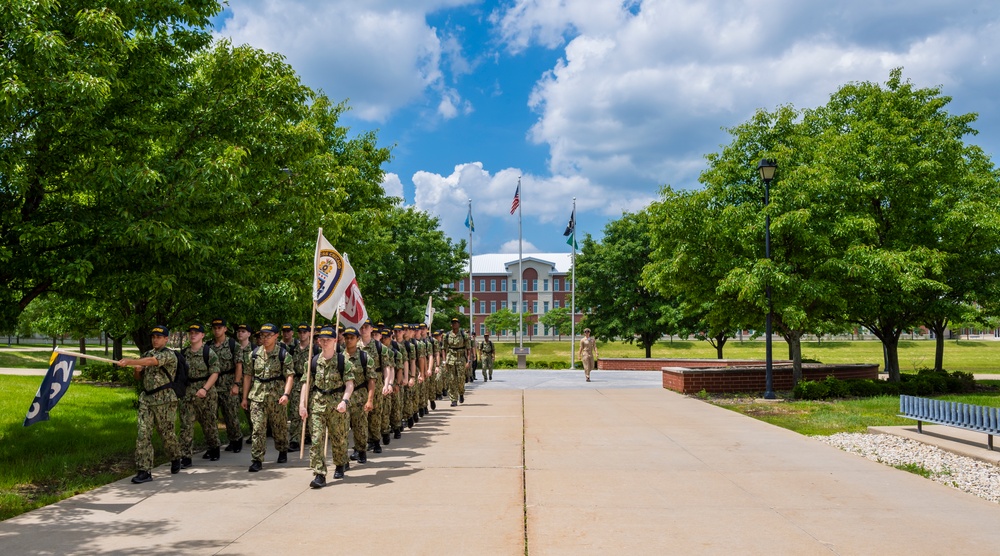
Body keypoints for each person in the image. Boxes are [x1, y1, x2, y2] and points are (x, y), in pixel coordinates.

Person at [119, 325, 181, 483]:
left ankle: (175, 457)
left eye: (159, 337)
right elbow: (138, 377)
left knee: (167, 435)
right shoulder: (147, 354)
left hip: (164, 400)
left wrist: (130, 361)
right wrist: (137, 369)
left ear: (166, 339)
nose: (155, 339)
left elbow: (153, 361)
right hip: (147, 400)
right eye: (153, 337)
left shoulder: (169, 355)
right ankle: (144, 470)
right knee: (143, 434)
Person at [299, 326, 355, 488]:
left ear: (335, 341)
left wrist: (344, 401)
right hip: (317, 404)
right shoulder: (313, 361)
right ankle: (319, 473)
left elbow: (349, 384)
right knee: (316, 440)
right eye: (322, 340)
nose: (325, 342)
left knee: (338, 438)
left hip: (337, 405)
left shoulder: (342, 361)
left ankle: (339, 463)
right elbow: (306, 384)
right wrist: (302, 404)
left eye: (328, 340)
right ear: (318, 341)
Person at [242, 323, 295, 472]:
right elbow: (247, 376)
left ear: (276, 336)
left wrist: (286, 394)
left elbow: (289, 376)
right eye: (262, 336)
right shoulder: (253, 355)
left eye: (268, 336)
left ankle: (283, 449)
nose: (264, 338)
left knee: (280, 427)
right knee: (258, 428)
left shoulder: (283, 355)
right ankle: (257, 459)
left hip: (277, 397)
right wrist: (245, 397)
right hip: (257, 396)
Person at [179, 323, 222, 466]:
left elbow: (215, 373)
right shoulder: (184, 353)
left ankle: (214, 447)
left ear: (202, 335)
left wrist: (205, 388)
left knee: (209, 423)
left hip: (206, 393)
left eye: (196, 333)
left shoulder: (209, 353)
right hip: (188, 392)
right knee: (186, 424)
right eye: (191, 332)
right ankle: (185, 456)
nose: (193, 335)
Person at [209, 318, 243, 452]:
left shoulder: (233, 345)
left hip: (228, 383)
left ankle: (236, 439)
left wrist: (236, 384)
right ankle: (213, 445)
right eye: (215, 328)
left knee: (231, 415)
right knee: (211, 416)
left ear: (225, 329)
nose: (217, 330)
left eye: (219, 328)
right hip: (213, 385)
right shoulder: (209, 346)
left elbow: (239, 365)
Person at [343, 327, 375, 464]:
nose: (349, 340)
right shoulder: (338, 356)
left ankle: (361, 450)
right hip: (343, 398)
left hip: (359, 398)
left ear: (357, 339)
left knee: (360, 428)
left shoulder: (364, 357)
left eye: (352, 337)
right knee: (341, 429)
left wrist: (370, 400)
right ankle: (342, 459)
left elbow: (371, 380)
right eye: (347, 337)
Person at [289, 323, 318, 451]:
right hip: (297, 382)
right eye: (300, 332)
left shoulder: (316, 349)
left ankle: (311, 436)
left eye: (305, 332)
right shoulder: (293, 349)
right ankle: (295, 439)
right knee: (295, 412)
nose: (302, 334)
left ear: (310, 333)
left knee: (312, 411)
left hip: (311, 382)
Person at [445, 317, 471, 406]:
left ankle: (461, 393)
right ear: (451, 325)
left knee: (461, 379)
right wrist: (445, 361)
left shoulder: (464, 335)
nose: (454, 324)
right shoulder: (447, 335)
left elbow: (468, 349)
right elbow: (443, 349)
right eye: (453, 323)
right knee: (452, 379)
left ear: (459, 324)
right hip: (451, 358)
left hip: (461, 359)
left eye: (456, 323)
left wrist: (468, 361)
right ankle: (453, 399)